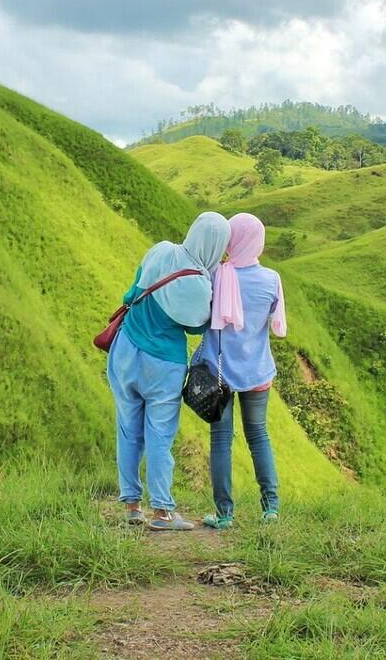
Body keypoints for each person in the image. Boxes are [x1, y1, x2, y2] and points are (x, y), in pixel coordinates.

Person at [107, 211, 230, 531]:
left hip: (125, 350)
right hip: (163, 365)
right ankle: (161, 512)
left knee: (127, 429)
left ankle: (132, 506)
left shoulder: (160, 250)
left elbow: (130, 294)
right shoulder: (201, 287)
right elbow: (195, 327)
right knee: (159, 437)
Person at [192, 212, 286, 528]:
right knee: (259, 435)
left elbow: (200, 316)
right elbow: (275, 324)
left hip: (218, 375)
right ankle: (270, 508)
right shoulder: (272, 279)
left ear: (230, 240)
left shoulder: (216, 274)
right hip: (258, 372)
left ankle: (224, 515)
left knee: (221, 440)